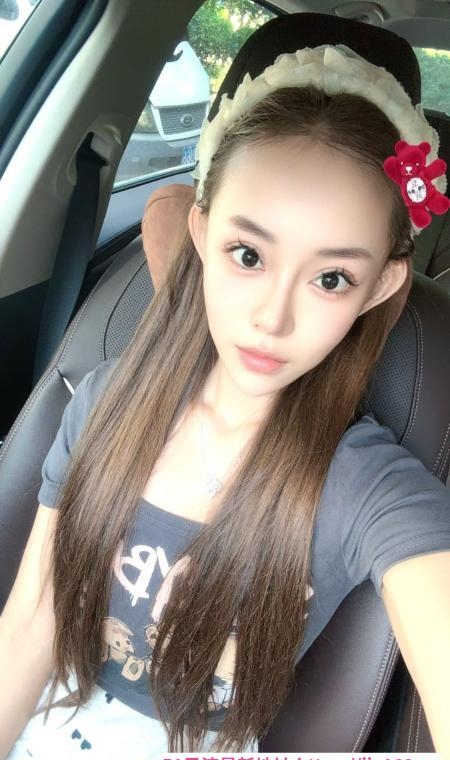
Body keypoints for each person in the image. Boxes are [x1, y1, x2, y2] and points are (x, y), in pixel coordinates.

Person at [1, 44, 450, 759]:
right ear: (203, 236)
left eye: (331, 279)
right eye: (248, 255)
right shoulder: (106, 404)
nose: (272, 318)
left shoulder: (367, 487)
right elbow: (30, 627)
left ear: (381, 288)